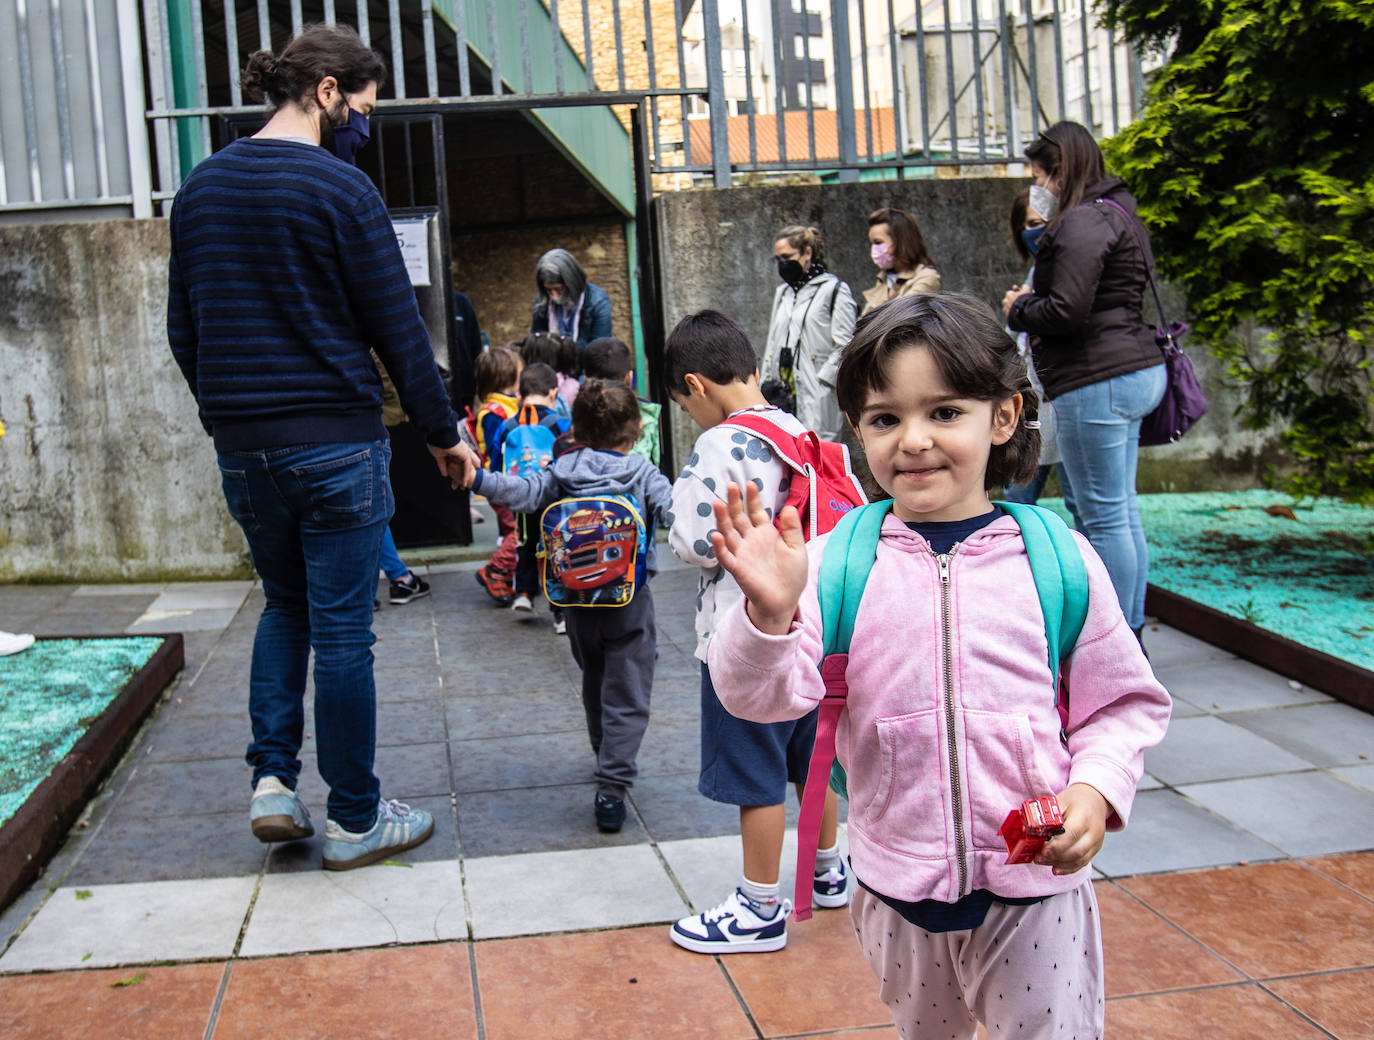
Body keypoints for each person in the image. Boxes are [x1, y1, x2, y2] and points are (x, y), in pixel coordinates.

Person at [705, 293, 1171, 1036]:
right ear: (858, 429)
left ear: (1005, 416)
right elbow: (758, 698)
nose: (914, 440)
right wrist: (767, 615)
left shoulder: (1058, 560)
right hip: (896, 892)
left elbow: (1121, 706)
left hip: (1035, 885)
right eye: (886, 418)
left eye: (945, 412)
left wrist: (1094, 791)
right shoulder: (835, 566)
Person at [166, 24, 476, 870]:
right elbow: (399, 330)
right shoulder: (342, 193)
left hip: (246, 450)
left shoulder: (199, 190)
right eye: (364, 108)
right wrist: (444, 436)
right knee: (343, 633)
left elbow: (183, 331)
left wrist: (228, 424)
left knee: (283, 606)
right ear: (329, 90)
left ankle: (272, 782)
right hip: (336, 444)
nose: (363, 127)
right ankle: (353, 818)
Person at [665, 310, 845, 955]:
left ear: (697, 385)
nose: (691, 415)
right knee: (810, 759)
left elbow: (693, 540)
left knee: (756, 770)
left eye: (685, 404)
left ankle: (759, 907)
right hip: (814, 627)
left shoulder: (723, 444)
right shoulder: (799, 429)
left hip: (747, 638)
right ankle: (828, 871)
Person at [466, 379, 672, 833]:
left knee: (596, 681)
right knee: (629, 693)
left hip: (575, 603)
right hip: (627, 602)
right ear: (636, 429)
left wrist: (476, 477)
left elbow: (517, 491)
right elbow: (678, 514)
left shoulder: (560, 471)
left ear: (575, 428)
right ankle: (612, 785)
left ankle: (605, 755)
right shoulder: (641, 472)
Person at [1003, 121, 1167, 643]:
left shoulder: (1080, 224)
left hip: (1098, 378)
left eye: (1039, 177)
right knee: (1120, 511)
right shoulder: (1117, 211)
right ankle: (1131, 629)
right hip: (1130, 368)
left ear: (1060, 171)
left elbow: (1067, 310)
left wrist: (1019, 306)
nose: (1038, 189)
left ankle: (1115, 641)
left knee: (1102, 518)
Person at [1001, 187, 1071, 511]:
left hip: (1062, 397)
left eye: (1044, 221)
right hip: (1031, 403)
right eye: (1030, 223)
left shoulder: (1066, 270)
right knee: (1017, 497)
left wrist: (1022, 306)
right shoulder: (1035, 273)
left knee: (1082, 501)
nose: (1038, 231)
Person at [488, 363, 572, 623]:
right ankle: (560, 614)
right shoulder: (561, 424)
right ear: (553, 393)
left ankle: (524, 592)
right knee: (556, 549)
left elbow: (495, 460)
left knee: (525, 543)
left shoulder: (508, 425)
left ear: (520, 393)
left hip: (522, 497)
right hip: (555, 500)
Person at [759, 226, 857, 441]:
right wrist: (765, 384)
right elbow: (772, 341)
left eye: (787, 257)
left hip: (816, 391)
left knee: (817, 452)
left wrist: (824, 381)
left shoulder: (833, 290)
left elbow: (846, 345)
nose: (782, 264)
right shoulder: (783, 292)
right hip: (783, 390)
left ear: (807, 253)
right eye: (778, 259)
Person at [472, 346, 523, 607]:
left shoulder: (507, 406)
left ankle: (509, 577)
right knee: (519, 531)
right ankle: (494, 570)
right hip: (503, 483)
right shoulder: (494, 412)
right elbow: (498, 451)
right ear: (508, 377)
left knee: (510, 530)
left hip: (506, 483)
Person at [580, 336, 662, 466]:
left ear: (585, 379)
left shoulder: (579, 416)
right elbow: (655, 461)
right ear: (630, 377)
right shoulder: (648, 416)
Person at [530, 249, 613, 352]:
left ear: (572, 283)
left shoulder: (597, 302)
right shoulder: (542, 301)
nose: (554, 295)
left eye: (558, 289)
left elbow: (600, 350)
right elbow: (535, 342)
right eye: (548, 290)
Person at [861, 207, 940, 313]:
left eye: (878, 242)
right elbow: (861, 325)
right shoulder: (884, 279)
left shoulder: (926, 277)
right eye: (872, 243)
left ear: (900, 242)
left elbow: (899, 319)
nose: (874, 249)